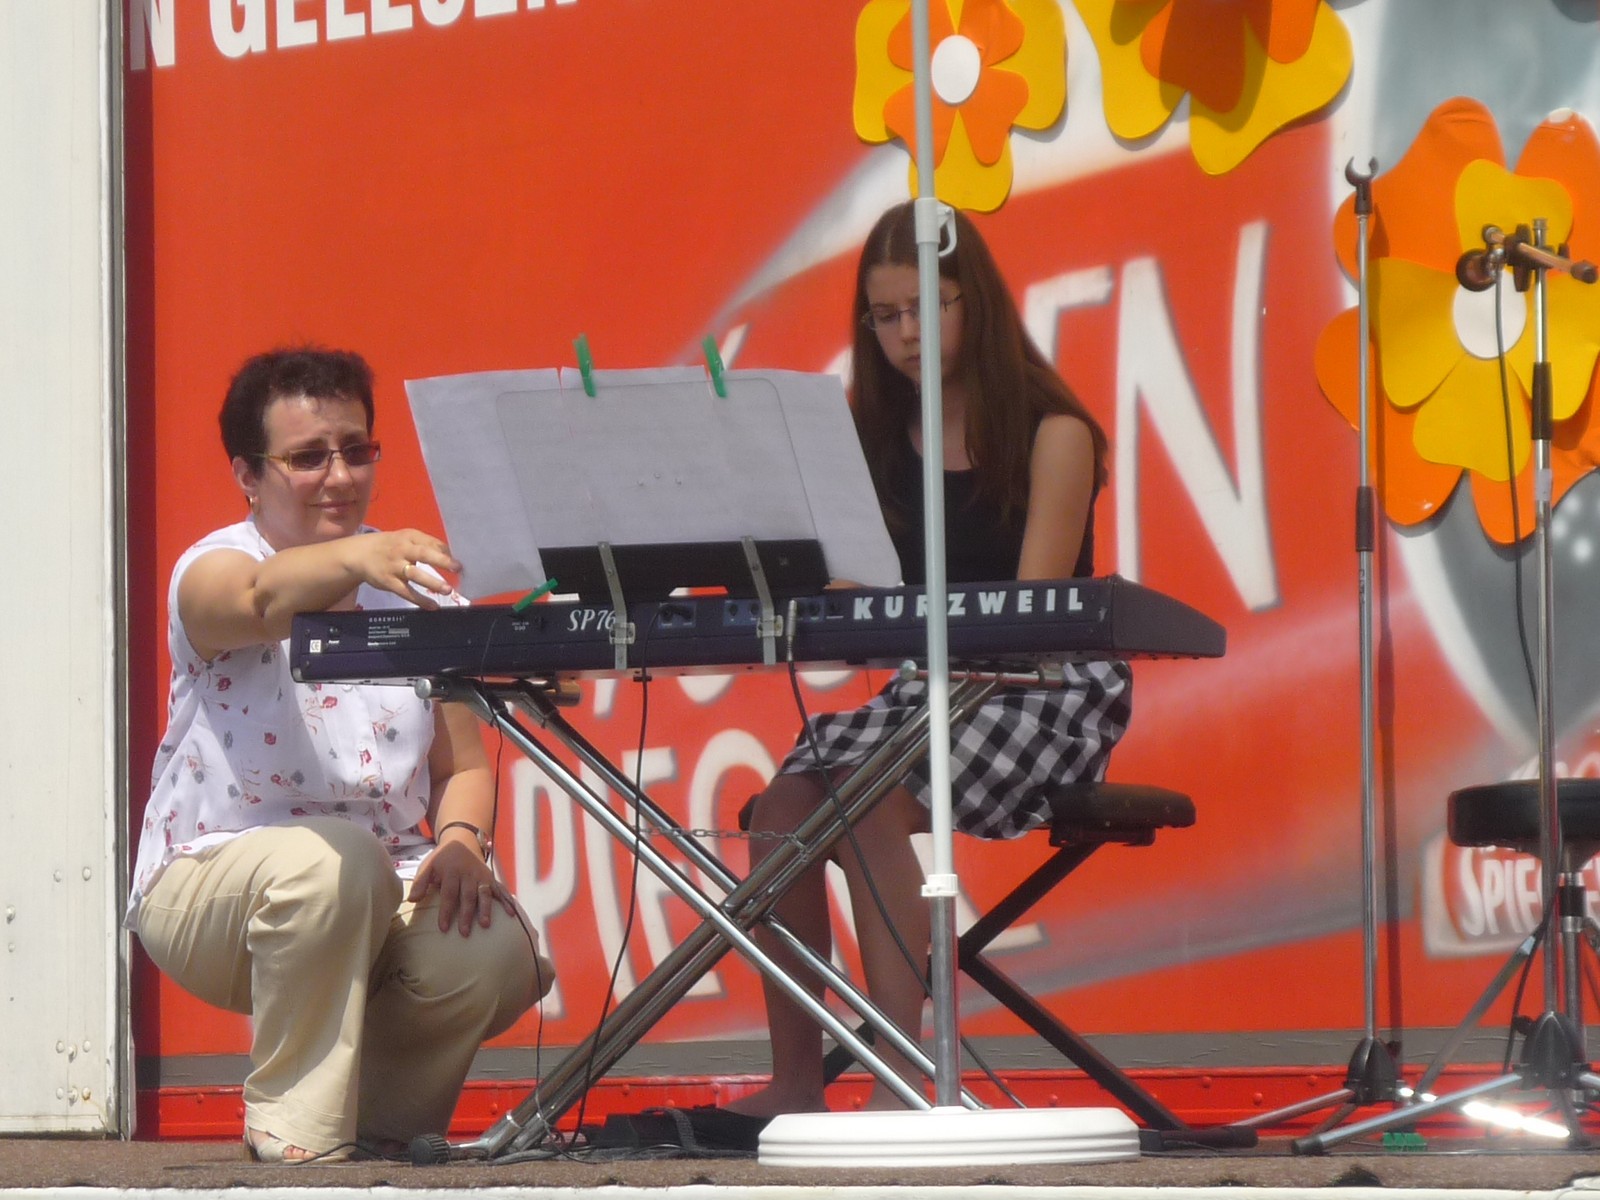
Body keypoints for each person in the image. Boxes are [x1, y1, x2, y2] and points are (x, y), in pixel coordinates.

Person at [727, 202, 1132, 1118]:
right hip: (931, 687)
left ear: (973, 301)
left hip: (1043, 686)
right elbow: (850, 586)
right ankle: (795, 1084)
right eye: (885, 315)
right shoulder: (871, 442)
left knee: (871, 796)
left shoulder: (1052, 432)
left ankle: (900, 1081)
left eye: (926, 307)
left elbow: (1027, 619)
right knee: (782, 809)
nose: (906, 333)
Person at [126, 346, 553, 1162]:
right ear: (248, 476)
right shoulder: (215, 567)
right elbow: (257, 601)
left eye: (356, 451)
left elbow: (462, 766)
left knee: (488, 942)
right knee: (336, 863)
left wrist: (461, 842)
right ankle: (295, 1133)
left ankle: (379, 1132)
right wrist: (357, 556)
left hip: (377, 880)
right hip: (212, 883)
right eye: (308, 457)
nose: (339, 476)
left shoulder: (417, 589)